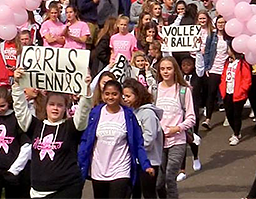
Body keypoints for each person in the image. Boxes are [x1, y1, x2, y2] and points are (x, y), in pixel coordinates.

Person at [12, 67, 92, 198]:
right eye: (52, 104)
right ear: (46, 106)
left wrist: (87, 90)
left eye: (60, 105)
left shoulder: (71, 127)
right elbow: (20, 110)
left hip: (66, 189)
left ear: (66, 108)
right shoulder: (36, 126)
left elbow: (83, 112)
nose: (55, 108)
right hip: (37, 190)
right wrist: (17, 85)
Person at [78, 79, 155, 199]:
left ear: (120, 95)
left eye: (114, 94)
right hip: (98, 170)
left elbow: (138, 142)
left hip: (121, 169)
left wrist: (145, 164)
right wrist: (80, 161)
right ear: (103, 95)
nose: (111, 97)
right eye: (107, 94)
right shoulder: (95, 114)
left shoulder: (128, 115)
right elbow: (85, 141)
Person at [154, 57, 196, 199]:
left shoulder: (184, 91)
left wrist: (177, 128)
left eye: (169, 68)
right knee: (158, 182)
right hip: (158, 142)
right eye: (163, 69)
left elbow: (191, 118)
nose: (166, 72)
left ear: (175, 70)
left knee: (169, 178)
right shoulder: (154, 90)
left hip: (177, 141)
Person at [122, 79, 163, 199]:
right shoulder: (131, 112)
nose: (125, 99)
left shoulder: (148, 114)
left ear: (138, 95)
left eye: (128, 96)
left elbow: (149, 139)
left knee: (149, 193)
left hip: (149, 160)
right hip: (135, 161)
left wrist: (133, 147)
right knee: (135, 193)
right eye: (124, 96)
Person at [219, 45, 252, 146]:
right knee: (229, 114)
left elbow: (247, 79)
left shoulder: (242, 64)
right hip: (227, 92)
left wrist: (242, 90)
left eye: (228, 49)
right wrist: (222, 87)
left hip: (238, 93)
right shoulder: (227, 62)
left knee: (236, 115)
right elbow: (224, 76)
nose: (227, 51)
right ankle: (235, 132)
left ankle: (236, 134)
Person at [201, 16, 230, 129]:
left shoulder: (229, 37)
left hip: (225, 68)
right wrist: (207, 67)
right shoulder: (211, 36)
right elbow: (207, 51)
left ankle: (228, 115)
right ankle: (208, 119)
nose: (221, 24)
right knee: (211, 93)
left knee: (226, 94)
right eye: (219, 22)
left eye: (223, 22)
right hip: (214, 68)